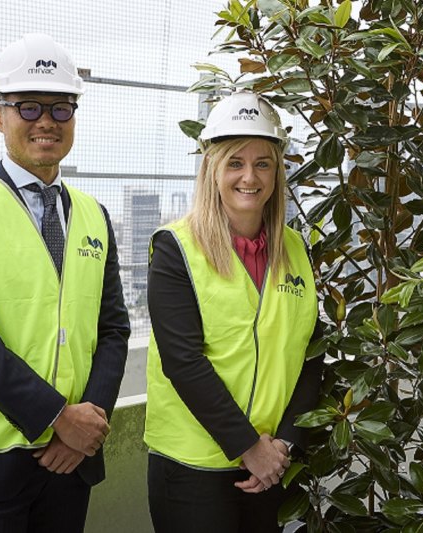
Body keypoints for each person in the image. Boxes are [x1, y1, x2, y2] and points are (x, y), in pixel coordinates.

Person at [0, 33, 130, 533]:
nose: (46, 121)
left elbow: (113, 329)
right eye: (29, 106)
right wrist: (59, 417)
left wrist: (86, 426)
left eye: (61, 108)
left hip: (70, 467)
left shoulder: (94, 216)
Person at [145, 90, 322, 532]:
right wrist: (249, 447)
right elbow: (183, 362)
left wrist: (282, 445)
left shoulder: (296, 249)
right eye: (235, 163)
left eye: (263, 163)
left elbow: (310, 353)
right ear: (212, 169)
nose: (250, 177)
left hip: (270, 466)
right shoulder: (176, 247)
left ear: (278, 171)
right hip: (194, 468)